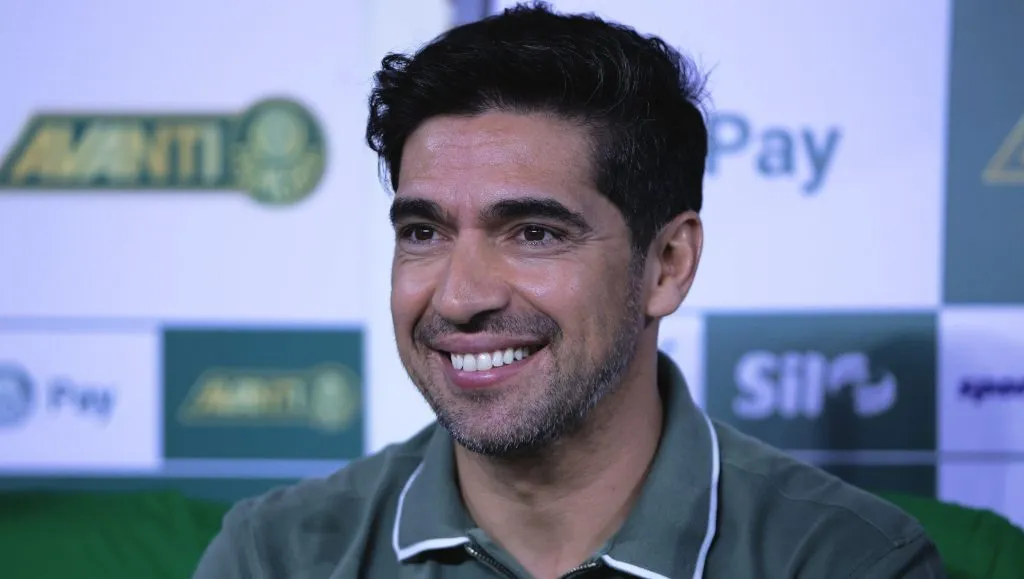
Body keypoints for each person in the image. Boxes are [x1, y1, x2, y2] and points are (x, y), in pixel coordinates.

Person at [192, 3, 947, 578]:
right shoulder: (274, 556)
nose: (459, 297)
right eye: (423, 231)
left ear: (668, 263)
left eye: (534, 233)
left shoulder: (850, 560)